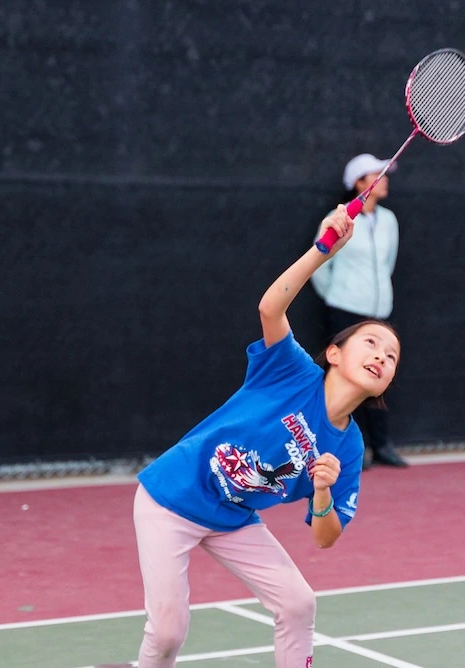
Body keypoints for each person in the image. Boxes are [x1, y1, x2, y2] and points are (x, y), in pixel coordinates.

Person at [132, 204, 401, 668]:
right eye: (371, 343)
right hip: (170, 499)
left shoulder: (349, 446)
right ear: (334, 354)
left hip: (232, 518)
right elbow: (269, 307)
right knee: (169, 633)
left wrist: (321, 491)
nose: (381, 356)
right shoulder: (291, 371)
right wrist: (323, 250)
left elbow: (325, 537)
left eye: (392, 356)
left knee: (298, 603)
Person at [310, 153, 408, 469]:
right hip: (344, 311)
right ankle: (341, 447)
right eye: (378, 174)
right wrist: (338, 296)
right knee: (342, 378)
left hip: (380, 314)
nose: (386, 179)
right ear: (360, 183)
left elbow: (388, 263)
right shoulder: (338, 218)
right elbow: (318, 265)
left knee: (378, 376)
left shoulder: (390, 220)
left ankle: (381, 446)